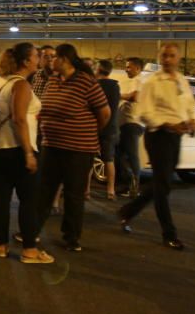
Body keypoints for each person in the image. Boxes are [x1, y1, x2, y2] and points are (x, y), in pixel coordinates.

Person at [118, 43, 195, 251]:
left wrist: (192, 119)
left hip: (175, 137)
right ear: (160, 58)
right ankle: (169, 234)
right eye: (165, 56)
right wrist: (166, 124)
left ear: (179, 59)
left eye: (172, 56)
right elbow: (143, 112)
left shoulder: (181, 81)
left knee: (163, 183)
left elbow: (188, 104)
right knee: (163, 187)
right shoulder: (152, 82)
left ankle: (128, 211)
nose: (168, 60)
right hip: (158, 136)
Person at [36, 43, 110, 252]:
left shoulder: (86, 82)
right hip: (51, 145)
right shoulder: (53, 80)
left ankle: (71, 237)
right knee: (44, 191)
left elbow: (104, 115)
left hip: (78, 149)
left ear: (65, 60)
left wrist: (84, 131)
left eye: (55, 58)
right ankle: (31, 231)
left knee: (73, 194)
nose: (51, 61)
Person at [0, 44, 54, 264]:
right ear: (26, 61)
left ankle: (1, 244)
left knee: (1, 197)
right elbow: (19, 119)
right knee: (29, 200)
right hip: (16, 149)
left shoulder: (0, 79)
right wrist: (29, 153)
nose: (39, 59)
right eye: (36, 56)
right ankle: (30, 251)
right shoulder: (21, 85)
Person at [115, 57, 144, 196]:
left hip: (132, 123)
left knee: (132, 156)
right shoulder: (131, 81)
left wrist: (118, 95)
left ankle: (134, 187)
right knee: (119, 155)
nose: (126, 69)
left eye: (129, 67)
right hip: (124, 124)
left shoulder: (139, 81)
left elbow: (135, 96)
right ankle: (126, 185)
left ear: (138, 68)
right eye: (126, 67)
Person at [95, 59, 121, 201]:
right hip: (111, 127)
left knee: (89, 159)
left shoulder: (96, 85)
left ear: (99, 69)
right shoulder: (115, 86)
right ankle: (111, 190)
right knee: (109, 159)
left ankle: (85, 190)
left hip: (96, 126)